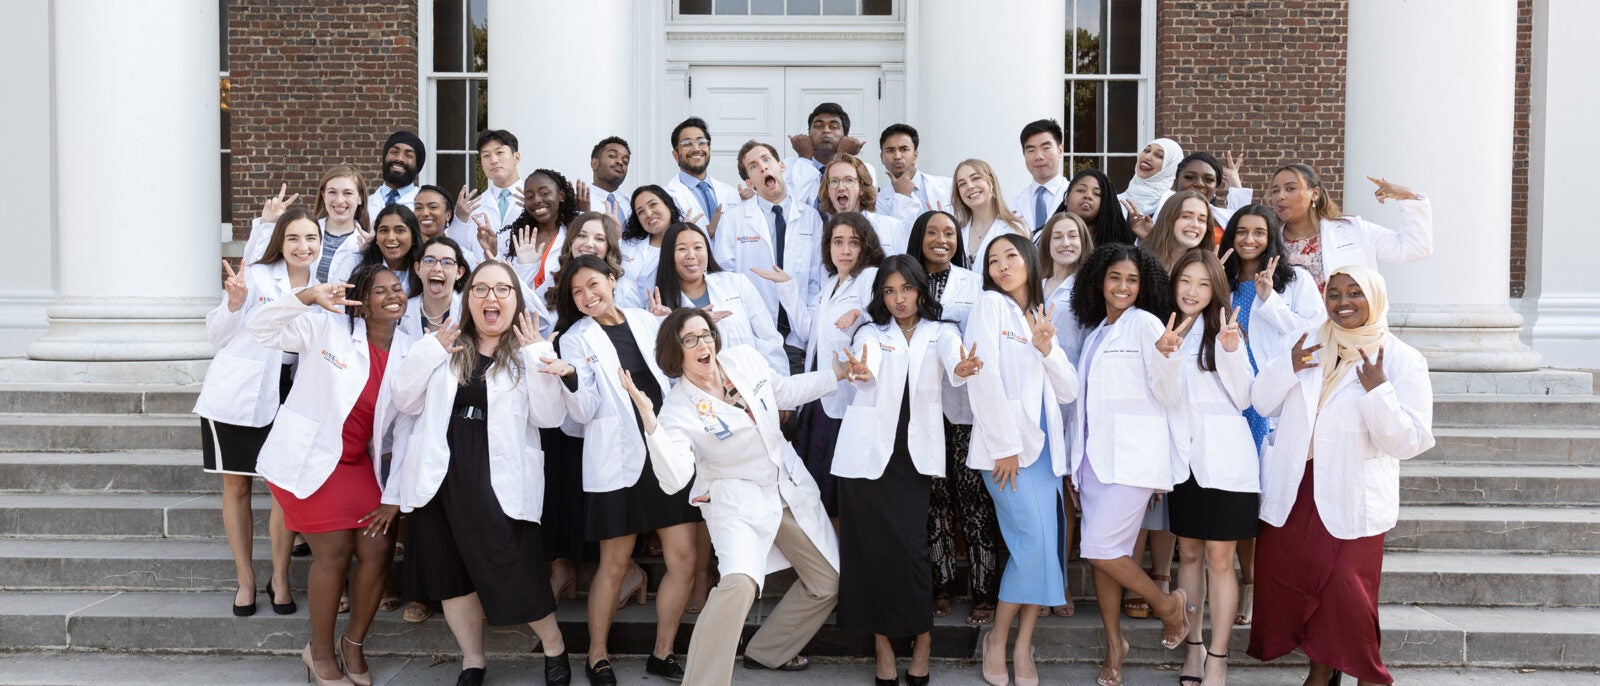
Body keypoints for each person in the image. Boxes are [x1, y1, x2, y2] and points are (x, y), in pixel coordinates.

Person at [632, 307, 852, 685]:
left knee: (827, 581)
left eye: (706, 334)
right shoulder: (678, 409)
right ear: (675, 352)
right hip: (736, 503)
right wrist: (652, 425)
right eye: (690, 339)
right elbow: (675, 478)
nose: (704, 344)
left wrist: (837, 374)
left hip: (785, 487)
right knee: (738, 583)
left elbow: (783, 390)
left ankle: (768, 650)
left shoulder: (744, 360)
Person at [387, 261, 574, 686]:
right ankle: (473, 660)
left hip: (497, 474)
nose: (491, 297)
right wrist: (431, 350)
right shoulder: (443, 344)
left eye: (502, 290)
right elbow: (404, 398)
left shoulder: (530, 350)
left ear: (515, 300)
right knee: (451, 576)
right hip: (440, 471)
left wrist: (536, 354)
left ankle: (553, 645)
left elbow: (549, 417)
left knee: (514, 567)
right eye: (481, 289)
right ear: (467, 298)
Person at [1248, 265, 1435, 686]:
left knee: (1347, 592)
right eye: (1334, 293)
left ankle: (1368, 674)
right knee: (1297, 582)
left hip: (1354, 492)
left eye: (1355, 292)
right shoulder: (1307, 340)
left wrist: (1380, 393)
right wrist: (1288, 368)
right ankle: (1320, 668)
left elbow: (1412, 441)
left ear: (1375, 297)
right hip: (1299, 487)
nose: (1343, 302)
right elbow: (1261, 403)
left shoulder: (1403, 359)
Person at [247, 265, 418, 686]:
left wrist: (394, 492)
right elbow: (260, 328)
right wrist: (307, 296)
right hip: (306, 460)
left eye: (397, 288)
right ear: (360, 300)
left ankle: (352, 645)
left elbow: (412, 426)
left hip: (356, 463)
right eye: (380, 291)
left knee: (377, 550)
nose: (392, 295)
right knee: (336, 551)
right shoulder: (327, 329)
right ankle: (319, 653)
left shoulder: (412, 349)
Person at [834, 255, 981, 686]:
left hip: (911, 456)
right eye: (890, 291)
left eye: (907, 289)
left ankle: (921, 642)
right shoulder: (871, 332)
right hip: (864, 455)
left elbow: (954, 362)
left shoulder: (943, 331)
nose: (899, 299)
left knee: (911, 551)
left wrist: (961, 368)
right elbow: (867, 371)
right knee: (868, 555)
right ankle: (882, 646)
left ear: (921, 289)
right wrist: (859, 372)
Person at [555, 255, 699, 684]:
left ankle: (663, 652)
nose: (587, 296)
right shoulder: (575, 339)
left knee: (685, 558)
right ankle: (596, 654)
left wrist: (678, 325)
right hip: (617, 460)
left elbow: (677, 376)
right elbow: (584, 411)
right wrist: (569, 378)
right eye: (577, 291)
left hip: (664, 452)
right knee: (614, 563)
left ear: (613, 281)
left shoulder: (646, 321)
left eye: (593, 284)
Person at [1068, 243, 1193, 686]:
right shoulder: (1097, 331)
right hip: (1094, 464)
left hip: (1133, 460)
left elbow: (1167, 395)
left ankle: (1166, 606)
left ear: (1144, 287)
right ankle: (1113, 645)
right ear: (1100, 280)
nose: (1123, 287)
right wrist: (1073, 465)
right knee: (1108, 555)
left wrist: (1166, 355)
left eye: (1132, 280)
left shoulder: (1146, 325)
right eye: (1116, 278)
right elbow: (1084, 407)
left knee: (1099, 548)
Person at [193, 205, 321, 620]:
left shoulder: (324, 287)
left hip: (293, 393)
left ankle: (280, 577)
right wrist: (233, 304)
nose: (303, 247)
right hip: (240, 393)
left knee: (283, 491)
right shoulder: (257, 277)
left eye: (311, 238)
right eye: (294, 238)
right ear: (280, 242)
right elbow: (217, 335)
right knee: (238, 487)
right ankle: (245, 578)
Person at [965, 233, 1079, 686]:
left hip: (1047, 451)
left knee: (1043, 551)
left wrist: (1046, 347)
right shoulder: (988, 307)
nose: (1002, 265)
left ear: (1030, 260)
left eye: (1011, 256)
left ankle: (1022, 644)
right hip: (1007, 450)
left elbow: (1068, 390)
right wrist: (1004, 445)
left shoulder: (1038, 314)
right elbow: (982, 376)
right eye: (993, 260)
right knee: (1029, 545)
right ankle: (997, 638)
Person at [1217, 204, 1324, 631]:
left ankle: (1263, 588)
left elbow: (1312, 333)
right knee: (1243, 501)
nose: (1248, 239)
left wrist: (1269, 299)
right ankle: (1246, 584)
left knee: (1267, 502)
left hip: (1275, 400)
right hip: (1230, 397)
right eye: (1240, 231)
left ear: (1270, 237)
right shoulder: (1221, 279)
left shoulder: (1292, 280)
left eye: (1258, 232)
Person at [1158, 249, 1256, 686]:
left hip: (1227, 460)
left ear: (1214, 287)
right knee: (1191, 553)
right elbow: (1162, 399)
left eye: (1202, 283)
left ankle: (1219, 655)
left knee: (1221, 557)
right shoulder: (1164, 331)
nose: (1192, 291)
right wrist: (1165, 355)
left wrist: (1233, 351)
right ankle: (1194, 647)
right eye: (1185, 281)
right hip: (1184, 461)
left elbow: (1245, 398)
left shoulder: (1226, 330)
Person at [754, 212, 885, 517]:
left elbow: (880, 316)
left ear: (865, 246)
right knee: (818, 490)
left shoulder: (869, 277)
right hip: (820, 395)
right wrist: (787, 285)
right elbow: (805, 329)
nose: (845, 250)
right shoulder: (830, 285)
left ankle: (845, 558)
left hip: (847, 400)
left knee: (839, 491)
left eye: (853, 243)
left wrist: (858, 314)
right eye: (838, 242)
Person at [907, 210, 1001, 626]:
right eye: (933, 232)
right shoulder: (905, 279)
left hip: (964, 410)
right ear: (919, 238)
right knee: (935, 502)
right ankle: (940, 584)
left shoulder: (974, 283)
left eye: (949, 232)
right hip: (922, 407)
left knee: (975, 502)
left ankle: (984, 591)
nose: (942, 239)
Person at [716, 140, 826, 360]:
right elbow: (724, 278)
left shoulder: (810, 217)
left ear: (781, 166)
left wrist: (809, 326)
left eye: (767, 160)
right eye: (754, 166)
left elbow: (817, 278)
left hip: (798, 335)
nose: (763, 167)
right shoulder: (733, 219)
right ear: (749, 181)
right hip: (754, 338)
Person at [1037, 211, 1094, 617]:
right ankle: (1044, 584)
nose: (1065, 243)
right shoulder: (1035, 287)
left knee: (1068, 500)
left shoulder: (1088, 289)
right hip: (1039, 401)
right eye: (1057, 236)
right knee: (1044, 497)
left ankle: (1061, 582)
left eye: (1072, 235)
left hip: (1076, 400)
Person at [648, 222, 788, 376]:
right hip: (701, 395)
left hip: (751, 383)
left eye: (698, 247)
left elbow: (768, 340)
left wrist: (778, 384)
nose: (691, 255)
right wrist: (667, 323)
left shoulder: (737, 283)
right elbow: (667, 367)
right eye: (681, 249)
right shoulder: (660, 308)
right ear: (669, 256)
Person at [1267, 164, 1432, 292]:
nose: (1280, 196)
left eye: (1290, 189)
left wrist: (1409, 197)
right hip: (1296, 335)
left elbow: (1416, 248)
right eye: (1275, 191)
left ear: (1315, 193)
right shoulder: (1270, 242)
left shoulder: (1354, 230)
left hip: (1350, 333)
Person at [504, 168, 578, 297]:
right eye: (530, 196)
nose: (537, 200)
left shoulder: (575, 236)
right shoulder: (514, 238)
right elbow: (508, 286)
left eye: (544, 193)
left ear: (561, 195)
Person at [817, 153, 908, 255]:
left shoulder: (891, 227)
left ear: (862, 188)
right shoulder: (821, 235)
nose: (841, 187)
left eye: (849, 180)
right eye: (834, 181)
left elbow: (906, 268)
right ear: (828, 191)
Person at [785, 102, 870, 207]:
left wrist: (842, 158)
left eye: (834, 127)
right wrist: (805, 158)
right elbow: (790, 206)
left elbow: (858, 208)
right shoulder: (787, 167)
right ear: (808, 134)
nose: (826, 130)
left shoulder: (864, 169)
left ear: (845, 137)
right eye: (818, 126)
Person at [663, 117, 740, 231]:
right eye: (687, 143)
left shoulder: (732, 193)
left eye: (701, 142)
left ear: (709, 149)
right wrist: (705, 232)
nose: (696, 148)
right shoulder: (665, 197)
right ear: (676, 155)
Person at [951, 159, 1029, 267]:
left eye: (976, 178)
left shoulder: (1015, 229)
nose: (970, 186)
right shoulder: (955, 232)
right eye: (962, 184)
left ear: (991, 182)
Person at [333, 204, 424, 295]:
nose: (391, 237)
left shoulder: (424, 268)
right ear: (376, 238)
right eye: (384, 230)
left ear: (414, 238)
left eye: (399, 230)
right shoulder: (355, 263)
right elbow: (335, 304)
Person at [619, 185, 685, 308]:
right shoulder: (627, 245)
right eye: (640, 212)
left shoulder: (684, 246)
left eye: (653, 205)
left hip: (666, 319)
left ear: (669, 205)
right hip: (627, 317)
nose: (648, 213)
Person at [877, 123, 952, 225]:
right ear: (882, 157)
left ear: (915, 155)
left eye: (904, 149)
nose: (897, 156)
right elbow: (894, 236)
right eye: (890, 150)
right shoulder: (878, 202)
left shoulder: (947, 186)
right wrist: (901, 197)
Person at [462, 130, 525, 249]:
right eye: (486, 155)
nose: (494, 160)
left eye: (500, 152)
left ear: (516, 157)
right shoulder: (473, 208)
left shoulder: (535, 201)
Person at [1008, 119, 1071, 233]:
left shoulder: (1073, 196)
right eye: (1031, 150)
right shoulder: (1013, 206)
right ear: (1024, 154)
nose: (1039, 156)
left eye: (1046, 148)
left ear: (1060, 150)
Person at [413, 184, 486, 269]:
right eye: (418, 208)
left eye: (433, 207)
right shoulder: (406, 250)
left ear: (448, 215)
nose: (425, 213)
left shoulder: (464, 256)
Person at [1138, 190, 1215, 269]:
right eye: (1186, 217)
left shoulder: (1208, 269)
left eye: (1201, 220)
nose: (1195, 225)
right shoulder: (1139, 262)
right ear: (1168, 219)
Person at [1058, 168, 1135, 247]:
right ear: (1066, 199)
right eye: (1081, 190)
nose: (1088, 196)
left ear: (1105, 204)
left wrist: (1146, 238)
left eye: (1096, 194)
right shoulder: (1049, 239)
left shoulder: (1117, 250)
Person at [1118, 137, 1184, 217]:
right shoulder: (1116, 201)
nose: (1148, 157)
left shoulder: (1176, 205)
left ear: (1169, 168)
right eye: (1146, 151)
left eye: (1159, 156)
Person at [367, 131, 424, 218]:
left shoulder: (424, 207)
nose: (399, 158)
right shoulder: (365, 205)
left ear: (417, 166)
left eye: (408, 155)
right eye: (394, 152)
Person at [583, 136, 632, 223]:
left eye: (625, 161)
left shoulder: (631, 202)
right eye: (612, 156)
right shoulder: (580, 201)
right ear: (594, 163)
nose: (620, 162)